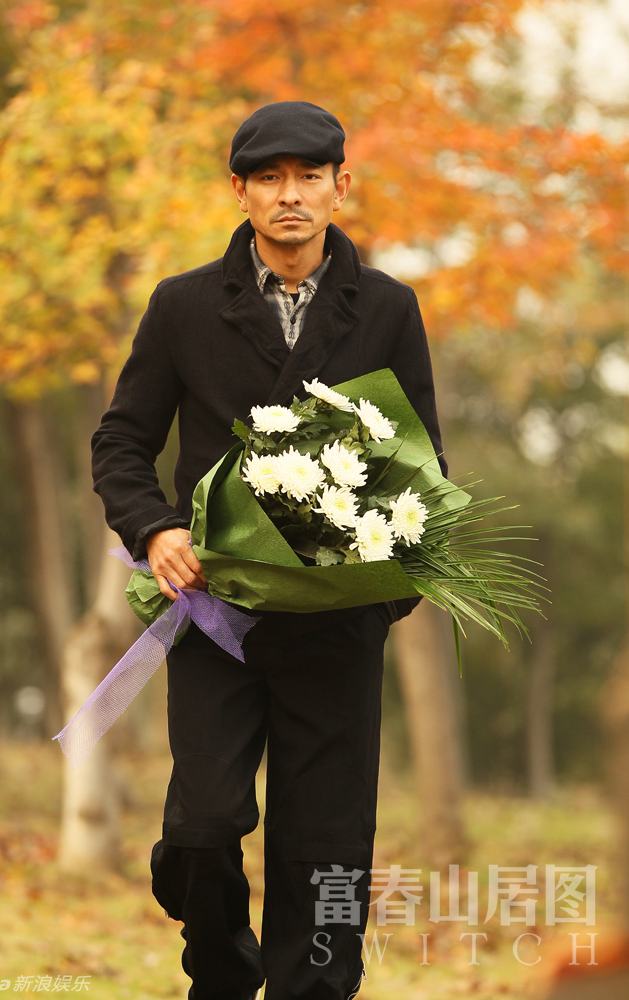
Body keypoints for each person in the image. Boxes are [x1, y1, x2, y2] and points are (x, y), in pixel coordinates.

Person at [91, 101, 447, 1000]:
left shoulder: (391, 309)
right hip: (216, 616)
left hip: (336, 628)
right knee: (204, 827)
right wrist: (156, 528)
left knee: (324, 849)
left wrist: (379, 594)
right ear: (241, 190)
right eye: (270, 179)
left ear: (340, 186)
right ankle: (220, 968)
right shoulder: (180, 307)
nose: (291, 196)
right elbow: (122, 443)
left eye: (309, 176)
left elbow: (421, 467)